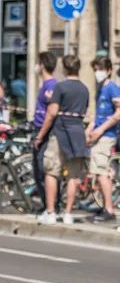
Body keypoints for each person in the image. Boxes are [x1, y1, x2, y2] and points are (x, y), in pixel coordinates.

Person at [35, 55, 89, 225]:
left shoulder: (60, 87)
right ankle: (67, 213)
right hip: (78, 133)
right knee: (73, 175)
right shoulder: (84, 89)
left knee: (51, 171)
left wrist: (40, 135)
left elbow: (51, 113)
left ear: (64, 69)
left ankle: (51, 212)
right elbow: (84, 111)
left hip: (60, 132)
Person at [85, 56, 120, 222]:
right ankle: (105, 206)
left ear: (108, 71)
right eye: (96, 69)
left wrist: (100, 129)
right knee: (100, 172)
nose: (97, 73)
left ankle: (108, 209)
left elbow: (118, 113)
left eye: (100, 69)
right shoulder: (100, 89)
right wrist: (90, 127)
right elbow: (99, 115)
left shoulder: (112, 88)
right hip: (100, 135)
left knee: (101, 173)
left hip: (106, 136)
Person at [32, 52, 58, 212]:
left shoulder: (50, 85)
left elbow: (51, 113)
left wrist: (40, 135)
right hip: (40, 129)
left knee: (43, 170)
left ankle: (51, 205)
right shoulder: (47, 84)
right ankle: (46, 204)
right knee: (39, 170)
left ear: (42, 65)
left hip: (45, 133)